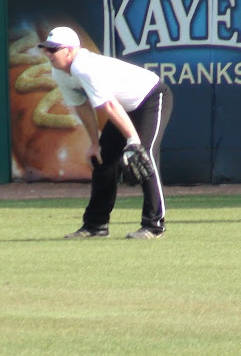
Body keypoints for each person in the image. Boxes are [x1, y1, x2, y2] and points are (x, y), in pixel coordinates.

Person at [38, 27, 173, 239]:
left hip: (151, 98)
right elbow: (81, 106)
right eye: (46, 49)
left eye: (53, 49)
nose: (48, 53)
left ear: (70, 50)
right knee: (102, 159)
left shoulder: (84, 67)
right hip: (124, 108)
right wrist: (94, 143)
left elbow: (109, 105)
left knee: (144, 157)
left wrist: (134, 141)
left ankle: (154, 226)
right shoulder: (60, 72)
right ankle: (96, 225)